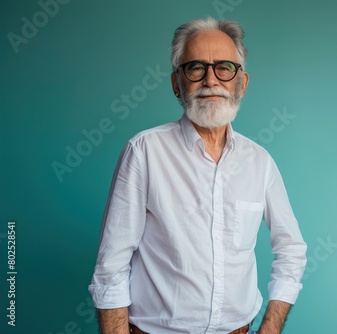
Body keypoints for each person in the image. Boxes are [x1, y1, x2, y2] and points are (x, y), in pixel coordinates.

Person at [88, 17, 307, 334]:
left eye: (224, 68)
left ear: (241, 83)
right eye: (195, 68)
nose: (211, 80)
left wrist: (270, 328)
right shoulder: (144, 151)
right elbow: (111, 267)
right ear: (177, 83)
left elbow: (291, 250)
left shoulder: (260, 162)